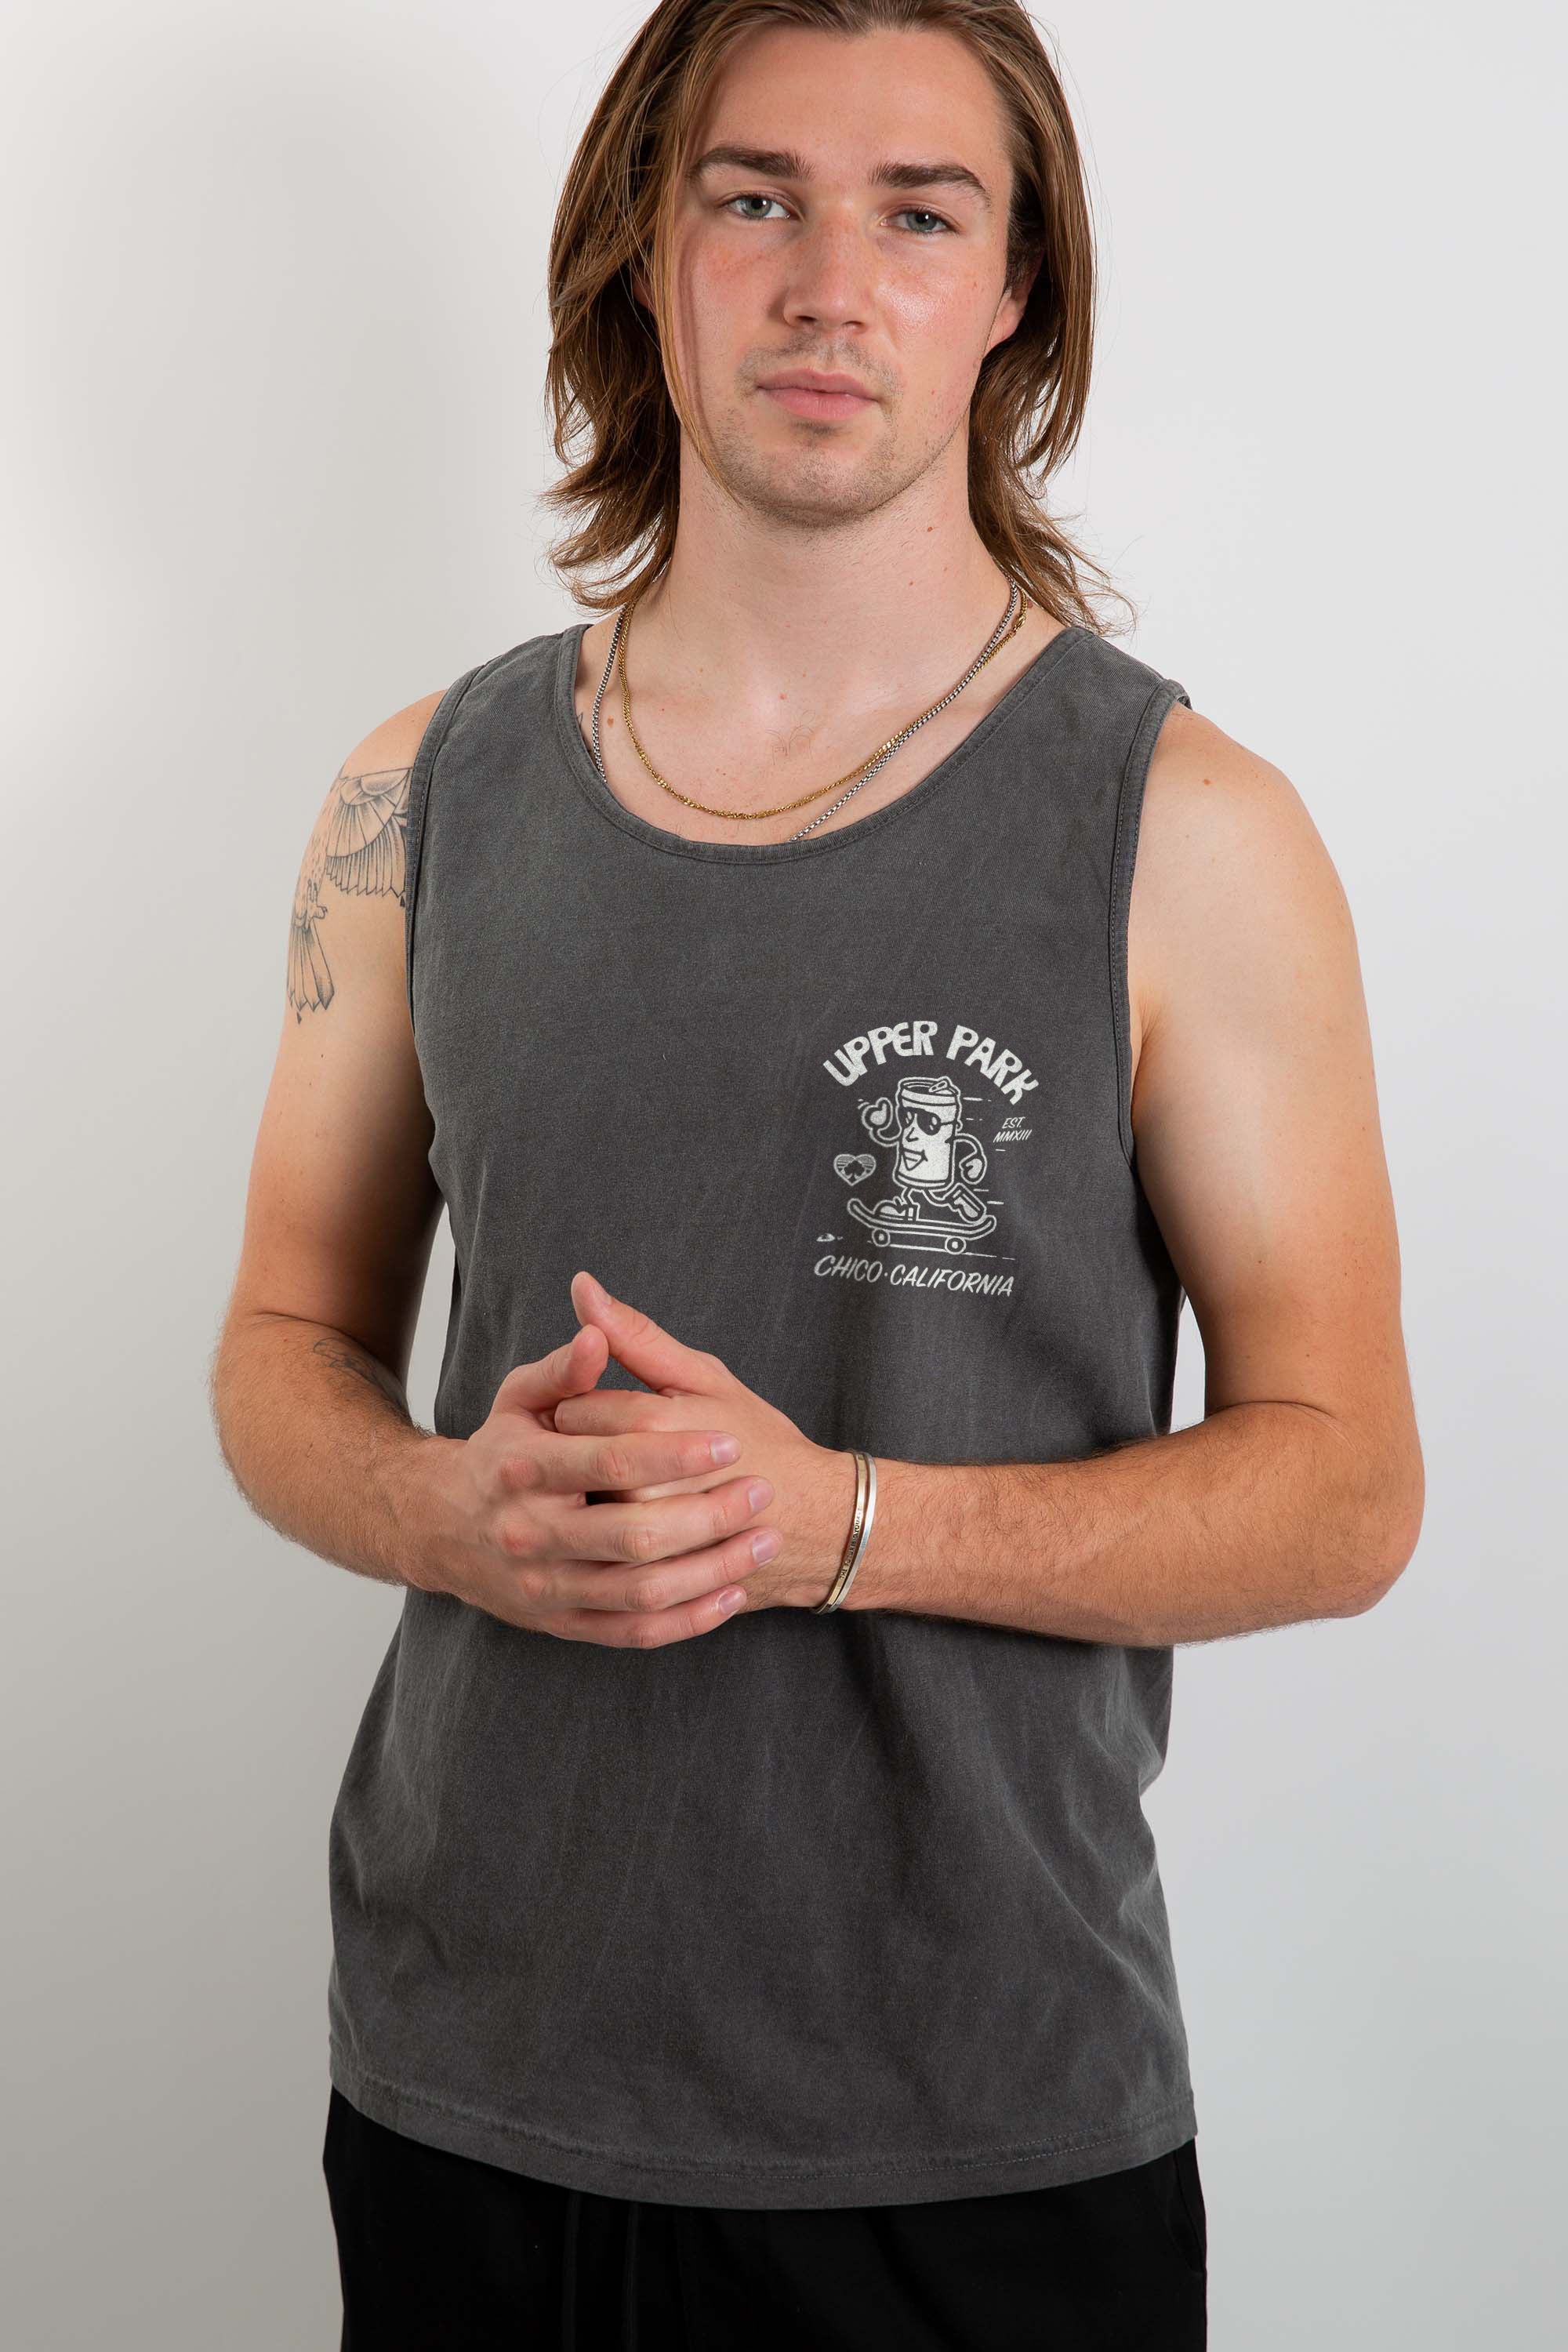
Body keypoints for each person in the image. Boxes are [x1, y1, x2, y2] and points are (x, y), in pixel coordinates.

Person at [209, 2, 1425, 2343]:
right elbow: (280, 1349)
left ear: (1016, 295)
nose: (826, 283)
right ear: (642, 260)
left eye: (919, 211)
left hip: (970, 2135)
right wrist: (441, 1508)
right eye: (752, 197)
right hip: (466, 2097)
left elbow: (1345, 1491)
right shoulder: (419, 793)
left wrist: (839, 1521)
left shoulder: (1188, 836)